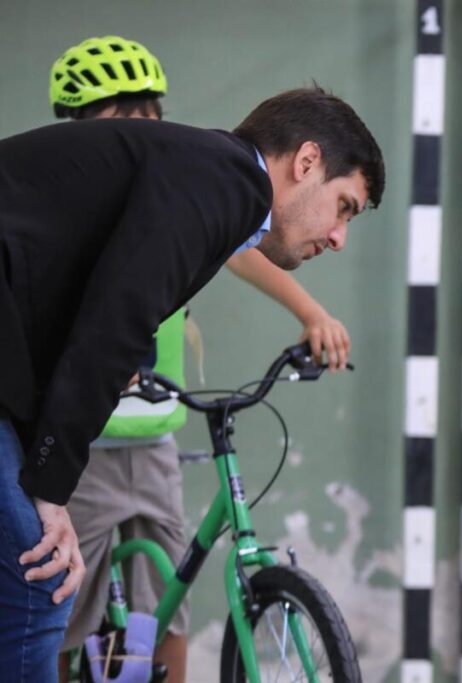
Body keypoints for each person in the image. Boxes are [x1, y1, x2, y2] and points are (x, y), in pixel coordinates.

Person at [0, 73, 385, 678]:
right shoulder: (225, 180)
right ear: (307, 161)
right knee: (35, 587)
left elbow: (86, 309)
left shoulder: (210, 177)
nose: (338, 237)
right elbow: (116, 319)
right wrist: (49, 490)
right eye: (344, 208)